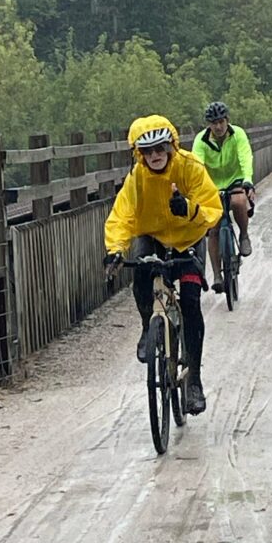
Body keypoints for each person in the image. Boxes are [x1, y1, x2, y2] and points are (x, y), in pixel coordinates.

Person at [104, 114, 222, 415]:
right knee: (142, 277)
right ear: (138, 154)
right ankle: (148, 326)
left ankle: (193, 379)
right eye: (147, 151)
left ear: (171, 146)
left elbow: (212, 208)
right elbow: (122, 216)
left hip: (188, 237)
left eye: (160, 148)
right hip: (153, 235)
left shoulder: (190, 167)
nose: (155, 155)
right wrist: (116, 250)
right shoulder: (137, 178)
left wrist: (189, 208)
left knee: (192, 303)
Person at [192, 101, 256, 292]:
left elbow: (246, 157)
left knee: (238, 201)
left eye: (221, 122)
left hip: (235, 180)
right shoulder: (200, 141)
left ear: (227, 120)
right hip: (211, 185)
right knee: (213, 227)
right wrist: (198, 190)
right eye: (214, 123)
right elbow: (197, 167)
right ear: (208, 125)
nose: (218, 126)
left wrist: (248, 180)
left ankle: (244, 235)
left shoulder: (238, 135)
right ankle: (217, 275)